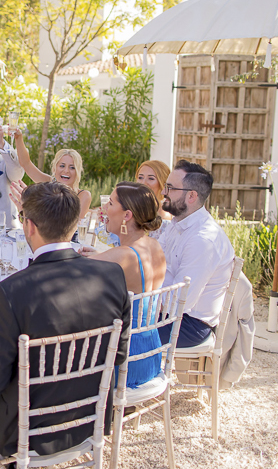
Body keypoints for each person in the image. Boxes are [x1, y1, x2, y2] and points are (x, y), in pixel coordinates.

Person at [0, 182, 130, 457]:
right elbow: (119, 355)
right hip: (90, 418)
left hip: (26, 430)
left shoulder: (10, 291)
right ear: (73, 222)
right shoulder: (112, 275)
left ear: (29, 226)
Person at [79, 182, 166, 388]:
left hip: (125, 360)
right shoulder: (154, 246)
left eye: (110, 203)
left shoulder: (123, 256)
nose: (104, 209)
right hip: (150, 353)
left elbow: (72, 269)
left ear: (127, 216)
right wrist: (103, 256)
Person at [158, 160, 235, 348]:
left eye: (170, 188)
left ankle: (138, 376)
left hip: (188, 325)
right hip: (167, 312)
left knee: (115, 330)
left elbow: (176, 303)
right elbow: (152, 260)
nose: (163, 193)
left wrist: (138, 296)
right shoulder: (177, 224)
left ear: (191, 196)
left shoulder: (203, 240)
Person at [12, 128, 91, 218]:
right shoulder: (48, 183)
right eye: (62, 166)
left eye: (72, 167)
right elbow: (26, 164)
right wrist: (18, 138)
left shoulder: (83, 196)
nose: (66, 171)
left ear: (77, 172)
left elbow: (72, 225)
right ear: (54, 169)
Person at [136, 160, 173, 239]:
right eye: (140, 177)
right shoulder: (132, 207)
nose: (143, 183)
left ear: (162, 182)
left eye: (151, 178)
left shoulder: (164, 214)